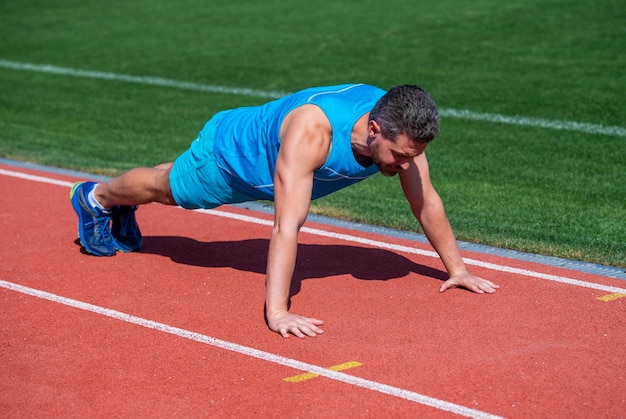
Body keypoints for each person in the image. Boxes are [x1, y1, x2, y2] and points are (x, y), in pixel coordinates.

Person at [70, 83, 499, 338]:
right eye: (400, 156)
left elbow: (425, 201)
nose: (406, 165)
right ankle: (98, 198)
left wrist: (457, 269)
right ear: (374, 130)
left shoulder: (399, 129)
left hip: (262, 160)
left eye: (413, 156)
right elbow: (286, 226)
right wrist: (278, 311)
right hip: (229, 158)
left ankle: (121, 204)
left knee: (167, 182)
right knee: (170, 190)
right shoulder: (314, 132)